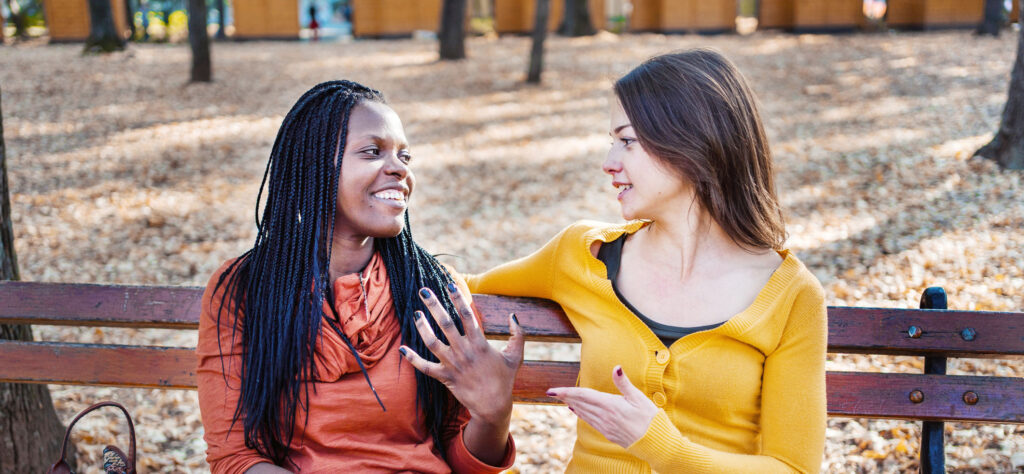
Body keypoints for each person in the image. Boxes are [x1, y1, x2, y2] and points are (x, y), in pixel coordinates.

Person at [467, 49, 827, 473]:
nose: (609, 163)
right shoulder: (582, 255)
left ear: (691, 142)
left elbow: (794, 468)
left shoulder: (791, 296)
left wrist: (665, 450)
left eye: (627, 141)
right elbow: (460, 285)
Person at [196, 80, 522, 473]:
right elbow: (236, 457)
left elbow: (460, 457)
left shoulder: (434, 290)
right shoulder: (245, 289)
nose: (400, 168)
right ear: (313, 168)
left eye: (405, 156)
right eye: (373, 152)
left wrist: (494, 416)